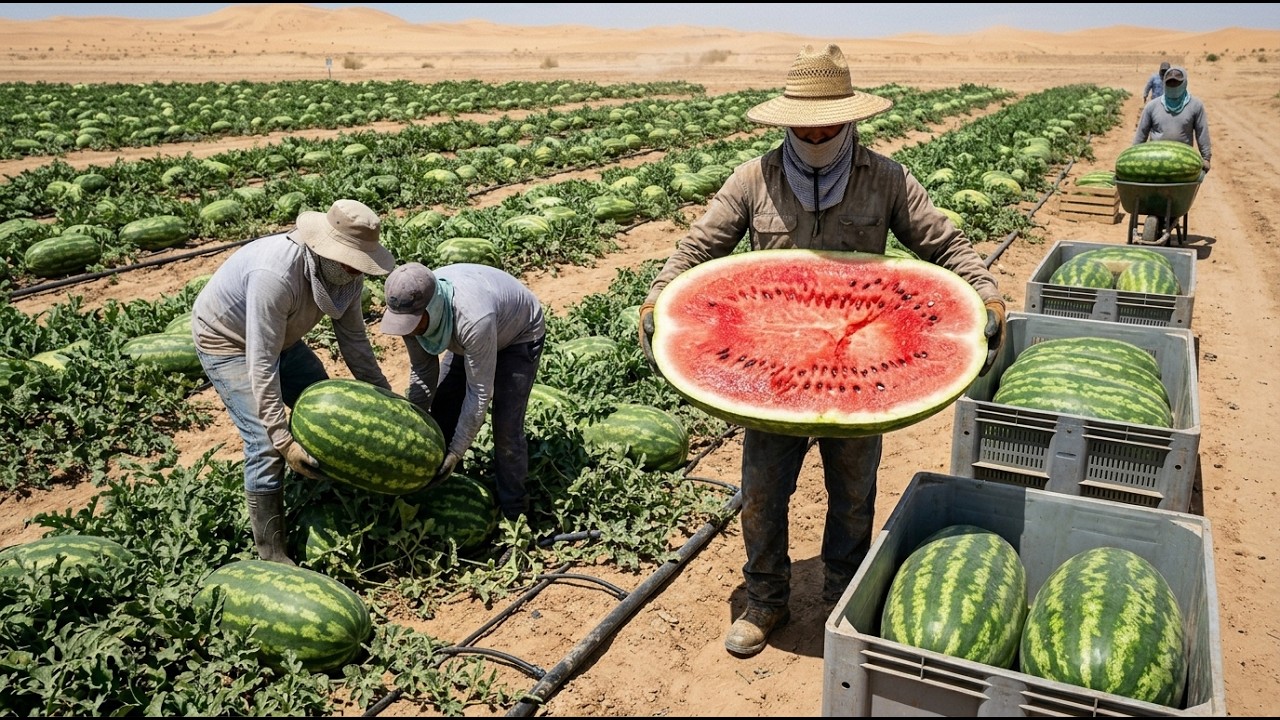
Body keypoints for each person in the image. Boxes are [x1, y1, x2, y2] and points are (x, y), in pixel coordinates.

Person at [636, 44, 1006, 658]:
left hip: (864, 369)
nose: (813, 132)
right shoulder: (753, 178)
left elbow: (945, 244)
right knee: (760, 490)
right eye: (802, 122)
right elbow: (697, 248)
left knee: (854, 492)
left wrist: (986, 295)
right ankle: (765, 599)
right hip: (773, 371)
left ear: (850, 116)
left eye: (826, 121)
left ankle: (842, 594)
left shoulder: (885, 178)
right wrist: (658, 299)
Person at [192, 199, 395, 565]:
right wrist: (283, 439)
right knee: (264, 443)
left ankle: (321, 490)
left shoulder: (344, 276)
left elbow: (354, 342)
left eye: (359, 264)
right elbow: (261, 362)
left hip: (281, 338)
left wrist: (385, 396)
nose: (355, 270)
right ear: (324, 250)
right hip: (228, 341)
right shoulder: (275, 275)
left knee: (325, 407)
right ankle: (271, 553)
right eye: (350, 262)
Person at [379, 262, 546, 521]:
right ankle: (446, 486)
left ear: (432, 307)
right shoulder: (410, 311)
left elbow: (479, 392)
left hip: (518, 334)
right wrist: (412, 424)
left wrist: (456, 451)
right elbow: (423, 372)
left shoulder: (472, 318)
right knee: (445, 405)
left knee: (506, 428)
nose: (408, 329)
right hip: (468, 335)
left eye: (413, 323)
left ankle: (515, 513)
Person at [1134, 66, 1212, 174]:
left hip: (1184, 164)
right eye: (1170, 83)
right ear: (1164, 83)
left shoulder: (1195, 106)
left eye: (1177, 83)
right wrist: (1134, 157)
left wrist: (1206, 157)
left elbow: (1202, 132)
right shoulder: (1152, 106)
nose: (1173, 86)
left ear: (1184, 83)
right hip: (1155, 163)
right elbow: (1141, 135)